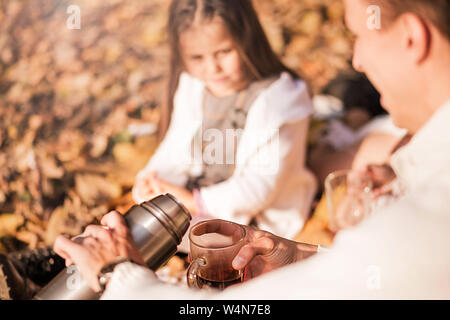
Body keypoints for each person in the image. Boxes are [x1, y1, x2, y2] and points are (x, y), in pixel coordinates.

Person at [53, 0, 450, 299]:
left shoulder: (415, 226)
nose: (357, 58)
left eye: (360, 36)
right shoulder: (417, 214)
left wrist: (117, 273)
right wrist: (298, 258)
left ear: (411, 37)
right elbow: (360, 274)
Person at [130, 0, 318, 239]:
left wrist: (193, 201)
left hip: (256, 223)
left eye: (224, 52)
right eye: (197, 57)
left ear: (247, 39)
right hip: (197, 207)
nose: (213, 68)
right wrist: (154, 178)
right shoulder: (193, 86)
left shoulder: (280, 101)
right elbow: (175, 146)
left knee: (159, 240)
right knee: (139, 233)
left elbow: (261, 187)